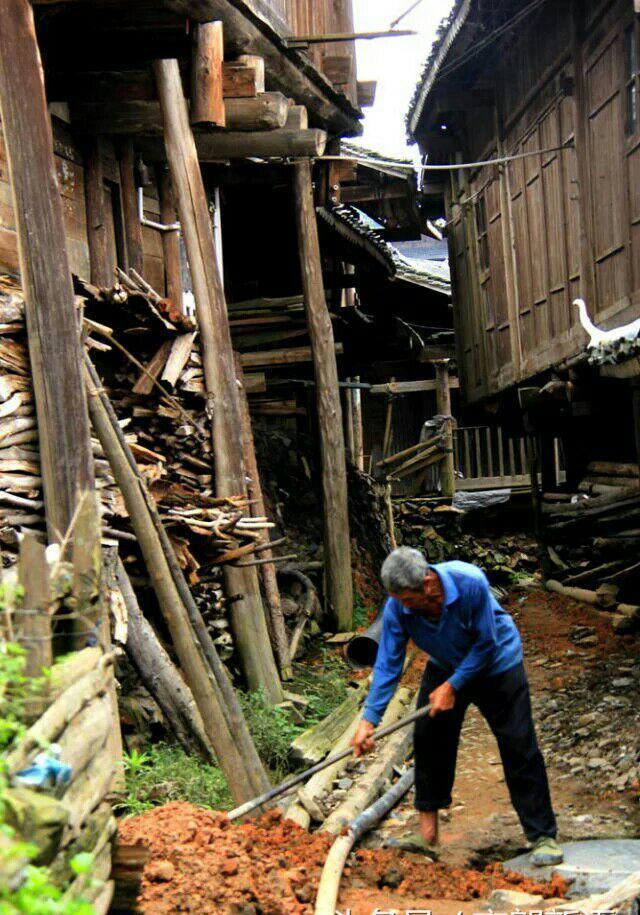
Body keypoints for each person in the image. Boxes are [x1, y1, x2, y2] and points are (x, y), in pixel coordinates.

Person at [351, 546, 562, 867]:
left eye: (408, 601)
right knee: (429, 739)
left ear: (428, 584)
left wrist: (452, 686)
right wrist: (369, 719)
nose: (402, 608)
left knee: (518, 744)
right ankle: (426, 835)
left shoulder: (470, 582)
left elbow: (486, 643)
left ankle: (542, 835)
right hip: (446, 662)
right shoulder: (398, 607)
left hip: (497, 662)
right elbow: (388, 663)